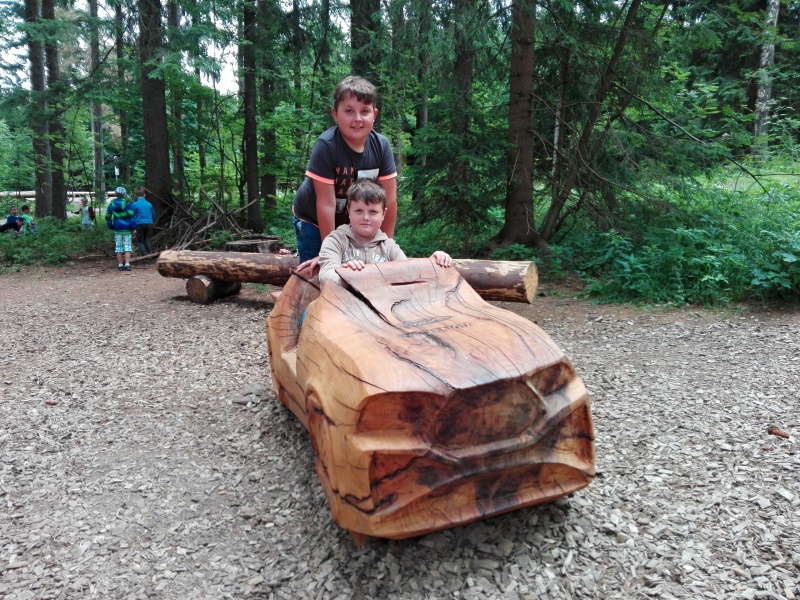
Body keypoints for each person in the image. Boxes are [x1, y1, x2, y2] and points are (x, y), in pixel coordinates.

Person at [293, 76, 398, 276]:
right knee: (318, 275)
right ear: (335, 114)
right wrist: (328, 254)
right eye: (349, 111)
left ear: (374, 114)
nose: (357, 118)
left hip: (354, 220)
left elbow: (390, 201)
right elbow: (326, 204)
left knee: (361, 274)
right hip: (314, 221)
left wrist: (385, 246)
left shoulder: (381, 146)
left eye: (365, 111)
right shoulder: (326, 146)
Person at [318, 179, 451, 286]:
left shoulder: (389, 247)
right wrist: (346, 275)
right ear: (349, 211)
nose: (365, 217)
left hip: (381, 307)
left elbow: (409, 274)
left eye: (373, 212)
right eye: (359, 211)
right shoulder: (335, 241)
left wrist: (431, 263)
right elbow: (326, 277)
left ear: (383, 214)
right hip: (343, 306)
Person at [105, 186, 135, 271]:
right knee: (127, 247)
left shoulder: (111, 204)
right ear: (124, 195)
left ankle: (120, 264)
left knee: (118, 247)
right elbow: (131, 217)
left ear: (115, 194)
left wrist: (110, 225)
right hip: (127, 229)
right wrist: (134, 228)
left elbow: (108, 217)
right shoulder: (127, 204)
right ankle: (127, 264)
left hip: (117, 229)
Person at [130, 186, 156, 255]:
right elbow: (153, 215)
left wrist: (133, 227)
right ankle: (150, 252)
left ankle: (143, 254)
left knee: (139, 240)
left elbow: (131, 216)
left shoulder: (134, 204)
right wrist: (152, 222)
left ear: (136, 195)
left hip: (139, 223)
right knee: (145, 238)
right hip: (149, 223)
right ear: (145, 194)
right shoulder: (149, 204)